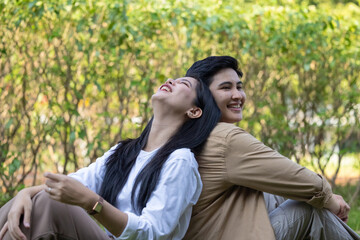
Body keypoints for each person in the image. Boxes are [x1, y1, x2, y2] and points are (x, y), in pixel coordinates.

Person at [0, 76, 221, 240]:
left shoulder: (180, 161)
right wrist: (25, 192)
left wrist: (92, 203)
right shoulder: (124, 152)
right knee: (24, 205)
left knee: (49, 203)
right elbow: (73, 183)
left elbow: (152, 232)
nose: (171, 80)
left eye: (184, 83)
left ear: (194, 111)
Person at [183, 56, 360, 240]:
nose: (238, 95)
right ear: (202, 95)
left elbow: (286, 177)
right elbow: (311, 185)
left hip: (216, 229)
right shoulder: (225, 138)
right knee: (308, 210)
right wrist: (332, 201)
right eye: (226, 88)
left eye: (239, 87)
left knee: (274, 192)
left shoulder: (194, 132)